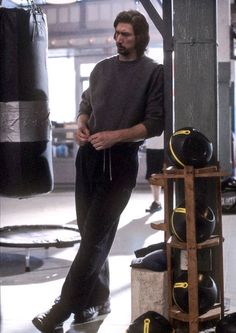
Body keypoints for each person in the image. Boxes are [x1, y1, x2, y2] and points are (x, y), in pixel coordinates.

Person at [32, 9, 164, 332]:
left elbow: (155, 124)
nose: (119, 39)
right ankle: (98, 299)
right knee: (91, 236)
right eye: (117, 33)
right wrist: (80, 125)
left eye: (126, 35)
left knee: (93, 240)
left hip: (120, 164)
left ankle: (61, 309)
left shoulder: (153, 73)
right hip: (88, 159)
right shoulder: (101, 69)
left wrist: (114, 137)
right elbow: (86, 105)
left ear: (140, 38)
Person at [145, 134, 164, 213]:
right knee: (153, 175)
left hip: (166, 145)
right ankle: (156, 202)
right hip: (151, 145)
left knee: (169, 175)